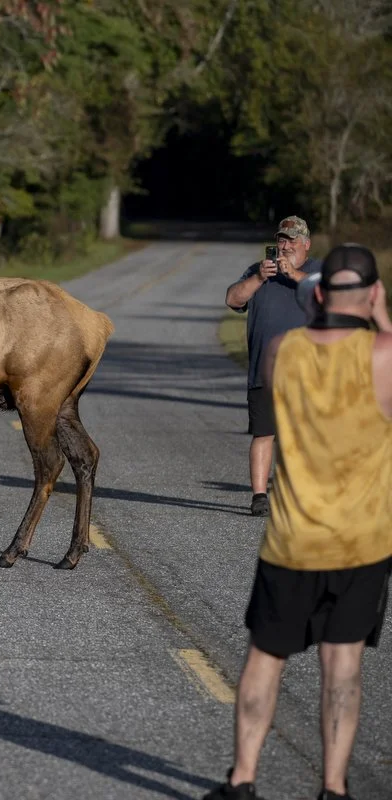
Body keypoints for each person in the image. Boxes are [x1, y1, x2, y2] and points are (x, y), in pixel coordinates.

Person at [204, 243, 392, 800]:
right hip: (362, 543)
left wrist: (314, 302)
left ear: (317, 293)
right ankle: (333, 787)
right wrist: (379, 315)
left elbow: (308, 321)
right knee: (343, 669)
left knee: (266, 659)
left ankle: (243, 779)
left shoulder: (284, 353)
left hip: (292, 540)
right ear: (374, 295)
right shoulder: (384, 359)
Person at [225, 215, 323, 516]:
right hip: (264, 369)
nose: (285, 245)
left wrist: (293, 274)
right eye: (282, 239)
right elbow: (232, 299)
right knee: (263, 433)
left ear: (306, 244)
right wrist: (259, 279)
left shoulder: (317, 270)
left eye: (292, 241)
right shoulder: (258, 271)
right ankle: (259, 496)